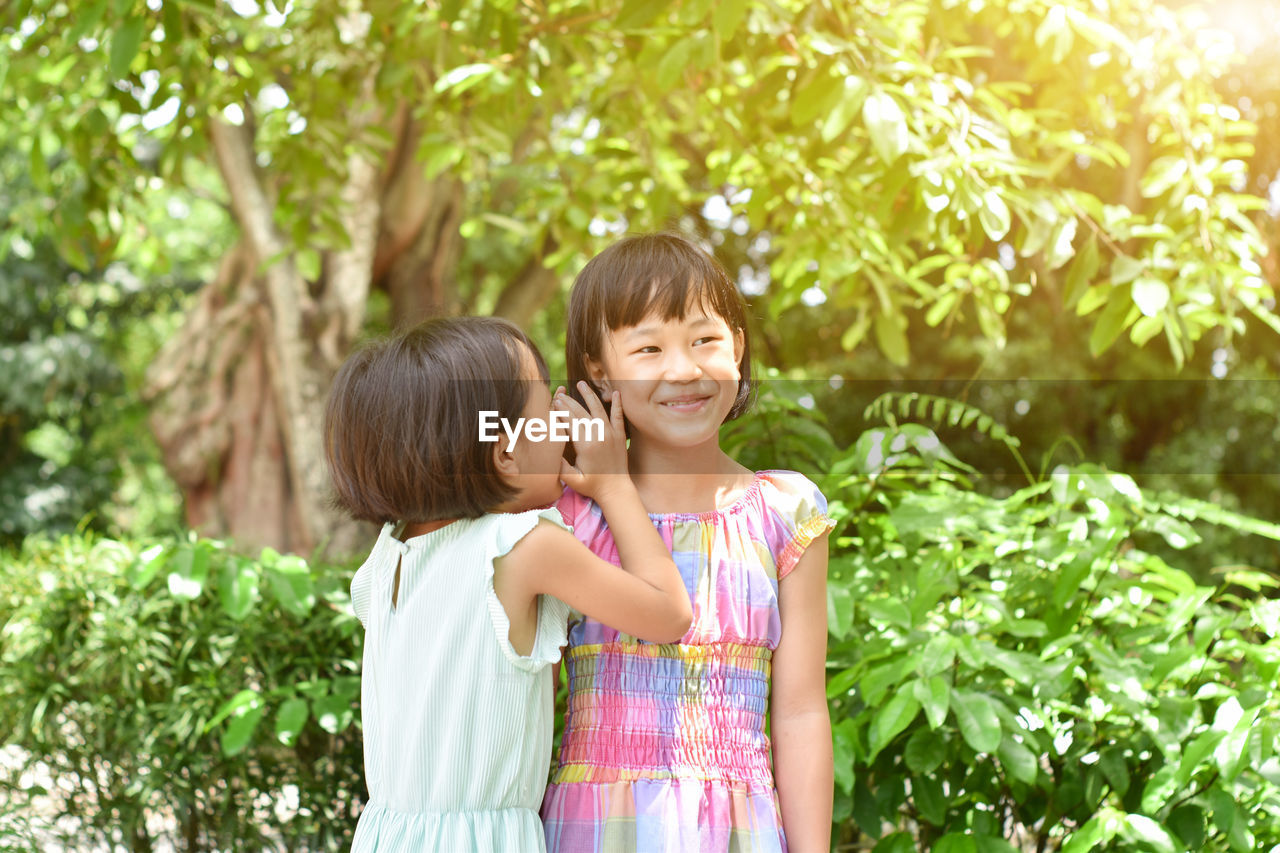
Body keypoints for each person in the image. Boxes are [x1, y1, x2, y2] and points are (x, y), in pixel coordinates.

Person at [324, 316, 692, 852]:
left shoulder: (387, 555)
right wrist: (614, 487)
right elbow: (667, 614)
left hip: (386, 835)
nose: (564, 428)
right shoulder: (522, 545)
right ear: (505, 453)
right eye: (546, 414)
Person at [541, 233, 835, 853]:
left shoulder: (785, 512)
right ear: (598, 368)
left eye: (705, 340)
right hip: (594, 828)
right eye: (647, 348)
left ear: (738, 345)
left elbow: (802, 711)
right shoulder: (570, 515)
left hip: (740, 830)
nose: (683, 369)